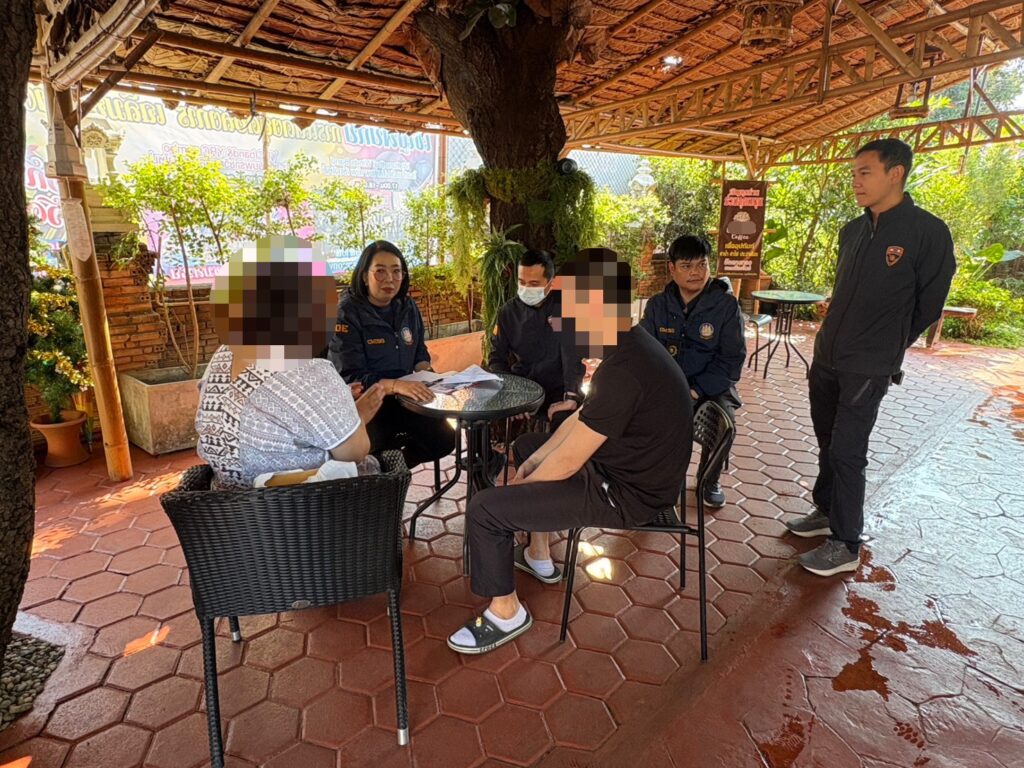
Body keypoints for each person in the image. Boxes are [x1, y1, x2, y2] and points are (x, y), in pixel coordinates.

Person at [446, 248, 693, 655]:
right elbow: (582, 419)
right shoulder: (628, 347)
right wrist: (532, 461)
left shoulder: (625, 370)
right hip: (622, 468)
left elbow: (567, 462)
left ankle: (506, 612)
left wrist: (519, 492)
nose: (564, 319)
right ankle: (538, 553)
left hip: (627, 494)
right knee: (530, 445)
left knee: (487, 510)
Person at [786, 138, 955, 576]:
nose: (856, 182)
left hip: (868, 365)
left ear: (895, 173)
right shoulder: (853, 230)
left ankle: (845, 544)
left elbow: (929, 303)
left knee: (848, 450)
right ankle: (826, 511)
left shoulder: (928, 232)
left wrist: (888, 344)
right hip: (828, 356)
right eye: (854, 174)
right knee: (828, 441)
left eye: (865, 172)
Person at [196, 236, 385, 490]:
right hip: (294, 506)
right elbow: (354, 452)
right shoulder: (307, 370)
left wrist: (336, 400)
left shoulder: (224, 354)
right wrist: (358, 414)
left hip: (224, 503)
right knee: (375, 465)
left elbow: (277, 408)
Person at [328, 240, 457, 469]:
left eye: (396, 271)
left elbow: (419, 351)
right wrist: (395, 385)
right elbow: (350, 376)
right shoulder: (346, 313)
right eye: (380, 271)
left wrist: (429, 374)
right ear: (364, 276)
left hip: (406, 398)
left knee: (444, 439)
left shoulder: (407, 306)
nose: (389, 279)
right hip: (368, 403)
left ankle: (395, 468)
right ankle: (384, 472)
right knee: (370, 446)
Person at [640, 235, 745, 508]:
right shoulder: (658, 305)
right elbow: (644, 351)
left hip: (711, 387)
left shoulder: (726, 305)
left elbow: (731, 360)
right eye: (687, 266)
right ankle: (659, 480)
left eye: (702, 264)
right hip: (667, 386)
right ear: (672, 268)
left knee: (724, 423)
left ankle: (709, 479)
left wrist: (696, 390)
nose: (696, 272)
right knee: (639, 416)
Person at [488, 249, 584, 430]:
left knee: (565, 422)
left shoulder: (565, 308)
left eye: (534, 284)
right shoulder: (508, 312)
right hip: (522, 385)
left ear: (550, 283)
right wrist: (511, 391)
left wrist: (571, 395)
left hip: (559, 388)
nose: (526, 289)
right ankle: (495, 449)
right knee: (483, 416)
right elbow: (496, 357)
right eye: (521, 282)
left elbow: (572, 355)